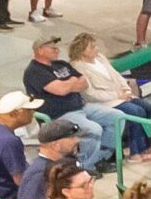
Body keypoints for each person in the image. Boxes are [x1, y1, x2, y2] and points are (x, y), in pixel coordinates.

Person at [22, 34, 122, 170]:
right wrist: (72, 82)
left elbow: (84, 82)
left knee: (118, 117)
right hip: (59, 114)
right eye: (53, 48)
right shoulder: (34, 71)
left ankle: (100, 157)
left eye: (57, 48)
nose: (57, 50)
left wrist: (67, 84)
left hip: (82, 107)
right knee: (93, 129)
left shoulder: (61, 64)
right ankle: (84, 166)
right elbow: (61, 90)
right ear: (40, 50)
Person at [15, 122, 83, 199]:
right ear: (56, 145)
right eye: (71, 138)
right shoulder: (41, 173)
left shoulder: (60, 165)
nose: (76, 140)